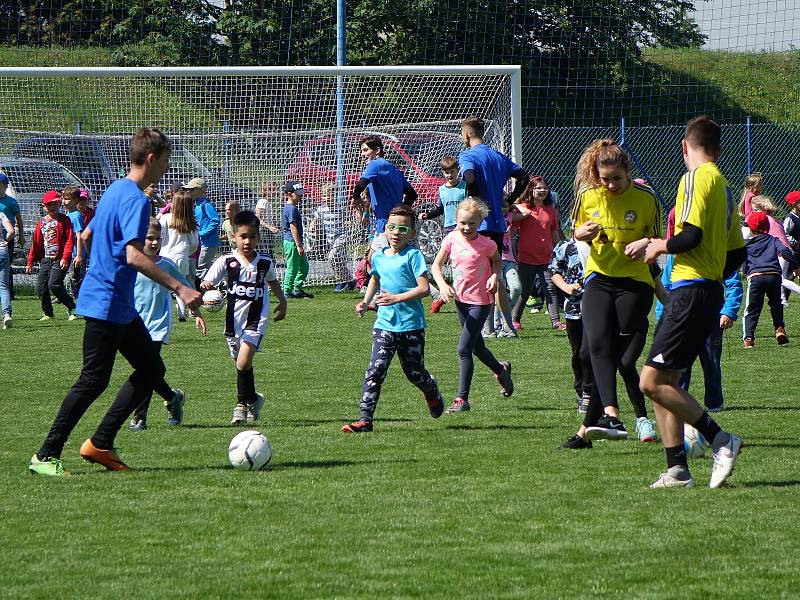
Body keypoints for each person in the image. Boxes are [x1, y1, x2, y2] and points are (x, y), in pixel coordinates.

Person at [29, 127, 202, 476]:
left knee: (152, 369)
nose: (167, 169)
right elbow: (134, 256)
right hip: (107, 303)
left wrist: (100, 268)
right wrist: (180, 288)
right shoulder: (137, 200)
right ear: (151, 159)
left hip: (117, 303)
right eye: (166, 161)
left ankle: (101, 443)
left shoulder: (114, 190)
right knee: (93, 379)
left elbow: (88, 235)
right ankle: (46, 455)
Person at [640, 115, 746, 489]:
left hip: (690, 291)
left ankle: (721, 439)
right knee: (664, 379)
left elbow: (691, 236)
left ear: (685, 146)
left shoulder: (695, 179)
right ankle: (677, 470)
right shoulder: (726, 187)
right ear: (719, 149)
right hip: (707, 292)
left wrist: (657, 245)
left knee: (650, 382)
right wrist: (712, 272)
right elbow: (736, 254)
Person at [570, 140, 663, 445]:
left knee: (619, 358)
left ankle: (589, 430)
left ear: (628, 172)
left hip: (635, 284)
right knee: (594, 345)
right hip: (599, 278)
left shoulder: (647, 197)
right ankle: (611, 414)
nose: (610, 185)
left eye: (616, 178)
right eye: (604, 178)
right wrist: (579, 234)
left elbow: (659, 237)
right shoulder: (587, 196)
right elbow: (575, 231)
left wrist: (646, 243)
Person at [342, 204, 444, 433]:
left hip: (411, 326)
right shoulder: (379, 257)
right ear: (385, 230)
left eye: (403, 229)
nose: (396, 232)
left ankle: (431, 390)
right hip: (384, 326)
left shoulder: (414, 256)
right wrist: (366, 303)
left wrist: (397, 298)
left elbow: (424, 289)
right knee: (375, 371)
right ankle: (365, 419)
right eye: (392, 227)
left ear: (413, 233)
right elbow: (375, 280)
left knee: (415, 374)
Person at [201, 210, 287, 425]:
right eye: (243, 236)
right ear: (234, 237)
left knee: (244, 360)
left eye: (252, 236)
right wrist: (206, 288)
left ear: (258, 237)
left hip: (256, 320)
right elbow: (208, 282)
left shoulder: (265, 263)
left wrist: (283, 302)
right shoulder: (226, 261)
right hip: (232, 322)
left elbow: (273, 282)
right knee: (242, 367)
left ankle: (240, 406)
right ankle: (253, 399)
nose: (247, 241)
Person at [431, 198, 514, 412]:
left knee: (464, 349)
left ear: (480, 223)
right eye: (462, 223)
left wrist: (495, 278)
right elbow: (436, 266)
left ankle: (462, 399)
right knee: (477, 347)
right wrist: (442, 285)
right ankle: (501, 370)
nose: (466, 228)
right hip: (460, 300)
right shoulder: (451, 239)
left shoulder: (487, 244)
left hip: (481, 301)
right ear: (456, 221)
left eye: (472, 224)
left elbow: (497, 261)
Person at [656, 208, 743, 413]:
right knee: (680, 363)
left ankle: (714, 402)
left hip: (711, 315)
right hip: (681, 317)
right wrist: (663, 317)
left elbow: (733, 283)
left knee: (711, 359)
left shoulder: (716, 252)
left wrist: (728, 311)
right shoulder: (673, 257)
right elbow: (665, 287)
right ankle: (678, 399)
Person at [128, 218, 206, 431]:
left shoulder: (166, 265)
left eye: (157, 239)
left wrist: (196, 313)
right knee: (147, 371)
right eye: (149, 238)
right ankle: (173, 397)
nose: (154, 243)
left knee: (144, 371)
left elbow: (185, 289)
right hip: (134, 325)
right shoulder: (132, 264)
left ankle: (139, 418)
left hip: (157, 326)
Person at [459, 116, 529, 331]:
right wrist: (510, 198)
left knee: (481, 279)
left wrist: (476, 201)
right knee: (495, 278)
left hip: (478, 226)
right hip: (498, 226)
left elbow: (469, 178)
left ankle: (487, 328)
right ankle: (507, 327)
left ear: (467, 134)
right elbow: (523, 177)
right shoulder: (497, 156)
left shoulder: (468, 155)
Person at [550, 233, 593, 420]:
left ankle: (589, 393)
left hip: (598, 306)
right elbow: (554, 271)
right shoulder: (565, 246)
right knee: (577, 352)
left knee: (588, 351)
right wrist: (566, 287)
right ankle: (581, 388)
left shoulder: (604, 245)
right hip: (573, 309)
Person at [512, 176, 564, 330]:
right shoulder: (523, 208)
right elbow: (513, 232)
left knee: (550, 288)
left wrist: (559, 252)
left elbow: (554, 233)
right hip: (526, 258)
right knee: (525, 290)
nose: (542, 191)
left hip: (546, 258)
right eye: (539, 188)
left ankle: (556, 321)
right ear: (531, 190)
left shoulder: (551, 210)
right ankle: (515, 320)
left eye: (545, 188)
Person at [741, 210, 794, 348]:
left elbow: (743, 261)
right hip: (774, 277)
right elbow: (784, 251)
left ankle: (748, 338)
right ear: (767, 226)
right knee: (776, 305)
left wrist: (746, 271)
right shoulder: (773, 239)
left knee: (751, 309)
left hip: (756, 277)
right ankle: (779, 329)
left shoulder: (746, 244)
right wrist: (794, 263)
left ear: (750, 228)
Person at [422, 156, 466, 313]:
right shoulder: (441, 190)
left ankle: (456, 292)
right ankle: (444, 292)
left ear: (457, 171)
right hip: (449, 230)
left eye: (452, 172)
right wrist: (428, 215)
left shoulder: (464, 187)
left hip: (464, 229)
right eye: (446, 172)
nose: (449, 175)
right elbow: (440, 209)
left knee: (462, 262)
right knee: (444, 263)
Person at [351, 135, 417, 236]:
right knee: (375, 251)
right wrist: (399, 212)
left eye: (365, 150)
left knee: (384, 251)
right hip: (394, 222)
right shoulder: (394, 169)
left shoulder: (375, 164)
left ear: (377, 150)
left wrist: (356, 197)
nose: (362, 154)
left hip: (385, 224)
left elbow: (361, 184)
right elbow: (412, 194)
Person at [26, 190, 77, 321]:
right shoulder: (41, 223)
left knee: (54, 284)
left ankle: (72, 307)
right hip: (45, 259)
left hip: (60, 259)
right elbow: (36, 243)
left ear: (59, 204)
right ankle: (48, 313)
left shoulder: (64, 220)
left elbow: (70, 240)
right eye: (49, 205)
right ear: (44, 206)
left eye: (55, 204)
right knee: (41, 287)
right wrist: (30, 261)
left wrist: (66, 257)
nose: (52, 207)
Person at [748, 195, 800, 303]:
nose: (754, 212)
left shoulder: (766, 220)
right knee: (780, 277)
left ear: (762, 208)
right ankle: (783, 300)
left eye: (756, 210)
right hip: (785, 249)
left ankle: (786, 298)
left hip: (782, 251)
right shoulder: (774, 219)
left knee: (780, 279)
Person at [159, 190, 200, 322]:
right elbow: (194, 244)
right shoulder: (191, 223)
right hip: (182, 258)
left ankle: (163, 312)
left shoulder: (165, 218)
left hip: (165, 257)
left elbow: (160, 236)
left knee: (163, 287)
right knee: (180, 285)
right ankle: (182, 312)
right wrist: (185, 252)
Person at [310, 183, 357, 291]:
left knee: (332, 257)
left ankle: (344, 281)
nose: (326, 198)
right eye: (324, 196)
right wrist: (312, 225)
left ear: (334, 195)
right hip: (330, 238)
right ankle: (347, 281)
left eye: (328, 196)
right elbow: (315, 219)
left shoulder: (340, 208)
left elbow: (348, 219)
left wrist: (349, 222)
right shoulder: (321, 209)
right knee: (338, 261)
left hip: (341, 237)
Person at [281, 180, 313, 299]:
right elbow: (293, 228)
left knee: (304, 267)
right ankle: (287, 291)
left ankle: (297, 288)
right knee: (292, 267)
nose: (301, 196)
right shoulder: (291, 209)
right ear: (289, 194)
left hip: (295, 242)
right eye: (298, 194)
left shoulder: (292, 208)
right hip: (292, 242)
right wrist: (299, 245)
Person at [185, 177, 220, 279]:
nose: (189, 191)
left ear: (201, 191)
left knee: (201, 267)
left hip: (208, 242)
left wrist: (202, 233)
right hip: (202, 242)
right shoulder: (197, 205)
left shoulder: (206, 205)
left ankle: (202, 289)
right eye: (189, 189)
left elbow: (215, 220)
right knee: (202, 267)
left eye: (192, 189)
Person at [0, 171, 25, 300]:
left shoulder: (11, 202)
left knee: (6, 265)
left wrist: (21, 236)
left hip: (6, 239)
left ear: (5, 186)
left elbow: (19, 220)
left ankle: (9, 292)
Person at [62, 185, 86, 299]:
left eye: (67, 199)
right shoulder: (68, 214)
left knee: (76, 276)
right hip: (70, 252)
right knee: (71, 275)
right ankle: (71, 295)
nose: (64, 201)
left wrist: (79, 255)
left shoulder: (76, 216)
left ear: (76, 200)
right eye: (64, 198)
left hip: (76, 253)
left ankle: (79, 297)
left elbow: (79, 235)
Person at [0, 208, 14, 329]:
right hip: (2, 252)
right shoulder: (1, 214)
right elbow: (11, 231)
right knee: (3, 286)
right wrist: (5, 241)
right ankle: (6, 314)